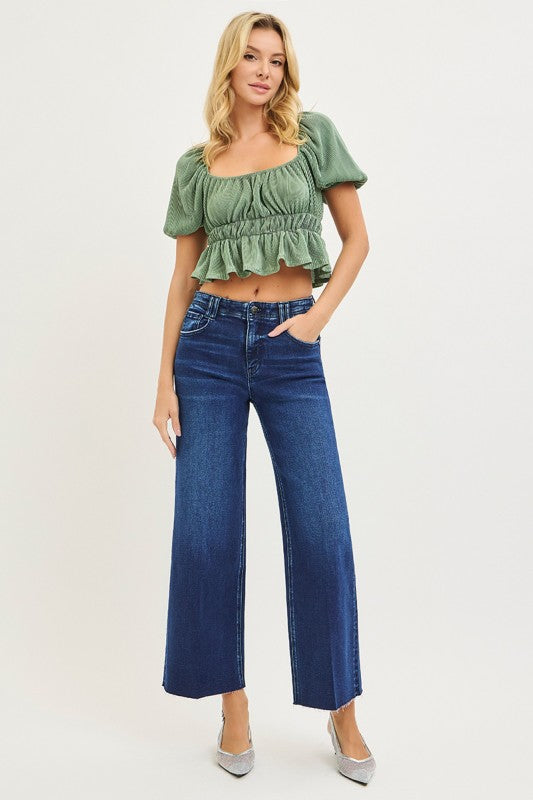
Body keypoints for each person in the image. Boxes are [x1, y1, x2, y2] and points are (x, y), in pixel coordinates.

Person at [153, 11, 376, 783]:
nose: (262, 70)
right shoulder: (197, 165)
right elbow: (182, 279)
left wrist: (314, 320)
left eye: (275, 60)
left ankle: (341, 707)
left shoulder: (313, 137)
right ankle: (233, 706)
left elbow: (356, 240)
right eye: (250, 56)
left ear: (286, 71)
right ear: (229, 64)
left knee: (321, 530)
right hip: (207, 348)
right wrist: (162, 381)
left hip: (290, 346)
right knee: (206, 534)